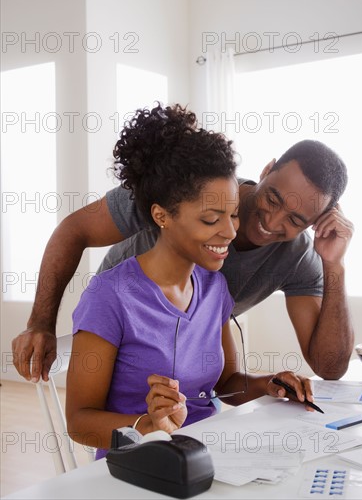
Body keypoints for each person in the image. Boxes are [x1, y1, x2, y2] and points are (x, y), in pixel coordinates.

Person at [12, 113, 354, 383]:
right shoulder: (185, 189)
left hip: (189, 367)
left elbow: (329, 367)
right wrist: (40, 323)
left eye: (295, 220)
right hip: (123, 343)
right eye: (272, 198)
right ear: (267, 170)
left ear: (315, 222)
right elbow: (75, 230)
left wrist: (334, 266)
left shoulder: (294, 259)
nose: (273, 222)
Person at [65, 104, 313, 458]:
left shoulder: (214, 288)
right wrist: (145, 425)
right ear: (162, 216)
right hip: (139, 467)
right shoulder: (110, 296)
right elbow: (79, 422)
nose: (229, 232)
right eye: (212, 219)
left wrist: (269, 384)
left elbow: (227, 383)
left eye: (233, 215)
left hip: (208, 454)